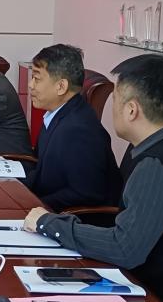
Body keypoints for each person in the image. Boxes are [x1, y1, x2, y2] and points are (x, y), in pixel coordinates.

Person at [23, 54, 163, 302]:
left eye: (116, 101)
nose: (113, 110)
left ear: (132, 110)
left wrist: (49, 224)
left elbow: (124, 248)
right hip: (148, 291)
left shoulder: (156, 164)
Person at [24, 44, 122, 212]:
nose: (30, 85)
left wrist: (35, 205)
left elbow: (86, 194)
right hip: (49, 205)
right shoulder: (56, 113)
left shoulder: (79, 130)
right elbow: (41, 169)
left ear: (61, 86)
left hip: (77, 219)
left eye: (37, 78)